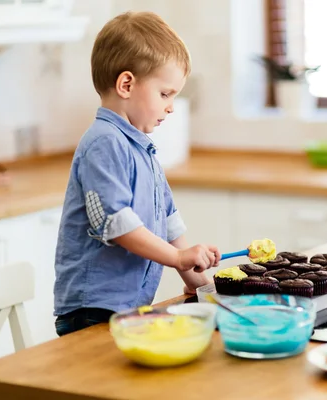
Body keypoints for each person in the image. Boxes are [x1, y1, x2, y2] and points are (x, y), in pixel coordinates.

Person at [52, 11, 220, 336]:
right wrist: (177, 257)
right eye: (165, 94)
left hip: (126, 306)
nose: (171, 107)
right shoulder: (104, 142)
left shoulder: (141, 146)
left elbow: (168, 217)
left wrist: (198, 282)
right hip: (93, 310)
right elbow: (117, 224)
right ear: (126, 84)